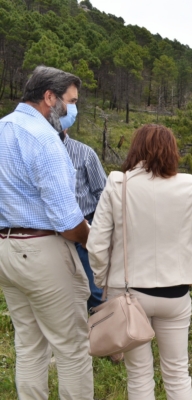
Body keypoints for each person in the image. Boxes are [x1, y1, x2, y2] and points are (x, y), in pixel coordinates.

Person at [87, 124, 192, 400]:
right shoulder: (187, 185)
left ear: (136, 148)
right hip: (175, 294)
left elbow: (96, 245)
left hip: (128, 294)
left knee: (139, 375)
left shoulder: (118, 183)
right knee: (177, 372)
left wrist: (103, 281)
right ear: (172, 151)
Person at [0, 66, 93, 399]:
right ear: (49, 97)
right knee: (71, 346)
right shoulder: (44, 138)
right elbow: (67, 220)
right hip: (42, 250)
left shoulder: (2, 129)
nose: (71, 110)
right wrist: (91, 241)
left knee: (28, 343)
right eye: (70, 101)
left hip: (6, 249)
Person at [59, 121, 107, 310]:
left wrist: (97, 230)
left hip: (84, 231)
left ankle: (103, 333)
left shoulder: (85, 153)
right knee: (63, 291)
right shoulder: (35, 152)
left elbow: (103, 193)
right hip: (52, 233)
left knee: (94, 290)